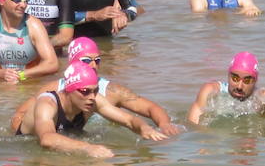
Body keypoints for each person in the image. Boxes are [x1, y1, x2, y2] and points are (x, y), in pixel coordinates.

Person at [10, 38, 176, 135]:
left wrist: (164, 125)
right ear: (72, 62)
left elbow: (151, 109)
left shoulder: (111, 91)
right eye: (87, 60)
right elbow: (20, 115)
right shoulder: (52, 91)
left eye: (97, 60)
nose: (94, 65)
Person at [14, 62, 168, 158]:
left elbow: (128, 120)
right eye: (85, 91)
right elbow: (46, 139)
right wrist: (88, 148)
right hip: (24, 149)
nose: (91, 97)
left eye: (95, 91)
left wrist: (144, 128)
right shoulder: (47, 103)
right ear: (69, 89)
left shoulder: (93, 100)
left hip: (66, 137)